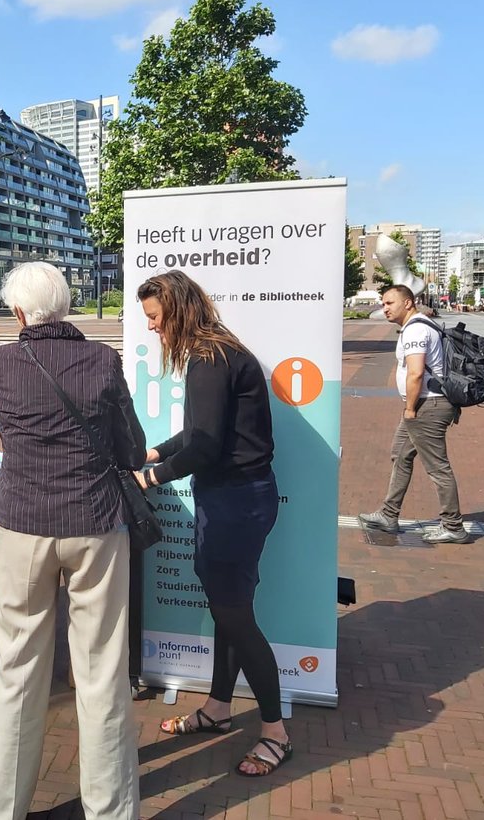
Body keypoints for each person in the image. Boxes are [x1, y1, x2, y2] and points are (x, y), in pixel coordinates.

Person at [0, 263, 145, 820]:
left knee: (18, 668)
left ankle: (3, 810)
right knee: (101, 669)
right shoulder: (102, 359)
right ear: (68, 305)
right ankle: (111, 810)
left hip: (23, 521)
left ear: (20, 313)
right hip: (95, 523)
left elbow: (6, 428)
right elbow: (129, 447)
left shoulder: (1, 361)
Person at [136, 270, 293, 778]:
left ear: (178, 309)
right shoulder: (220, 351)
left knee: (236, 620)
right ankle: (219, 710)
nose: (155, 331)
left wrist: (149, 477)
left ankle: (275, 732)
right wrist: (157, 450)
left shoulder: (208, 359)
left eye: (157, 320)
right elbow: (203, 430)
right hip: (241, 499)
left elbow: (205, 445)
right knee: (230, 611)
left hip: (233, 504)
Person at [359, 284, 468, 544]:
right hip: (424, 404)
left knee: (437, 466)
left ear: (408, 303)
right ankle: (389, 514)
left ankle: (453, 525)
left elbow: (416, 372)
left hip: (426, 406)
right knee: (400, 455)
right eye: (383, 303)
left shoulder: (416, 329)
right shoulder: (419, 325)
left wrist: (409, 409)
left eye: (389, 303)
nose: (384, 308)